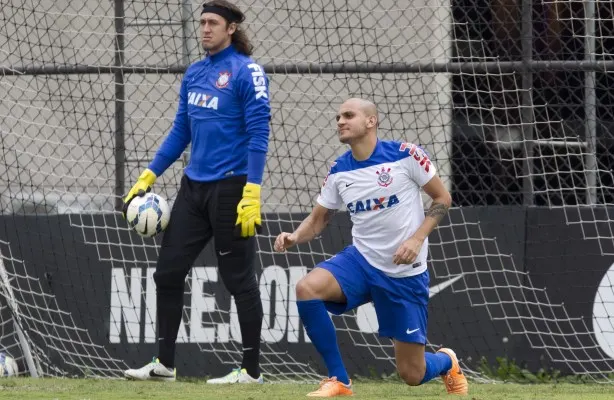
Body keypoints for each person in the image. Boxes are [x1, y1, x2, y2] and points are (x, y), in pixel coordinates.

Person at [274, 98, 469, 397]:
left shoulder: (405, 155)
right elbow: (319, 219)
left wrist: (416, 239)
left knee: (412, 375)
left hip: (403, 273)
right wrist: (295, 236)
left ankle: (446, 361)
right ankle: (339, 379)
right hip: (361, 261)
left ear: (371, 121)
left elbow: (442, 199)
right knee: (306, 288)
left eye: (348, 115)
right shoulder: (339, 170)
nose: (340, 121)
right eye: (338, 116)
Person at [123, 0, 269, 384]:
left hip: (233, 188)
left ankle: (251, 372)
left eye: (212, 23)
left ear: (231, 28)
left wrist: (252, 189)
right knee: (167, 273)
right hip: (193, 188)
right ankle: (164, 365)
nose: (204, 28)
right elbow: (181, 131)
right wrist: (149, 175)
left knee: (238, 279)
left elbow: (259, 134)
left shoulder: (247, 72)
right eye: (201, 22)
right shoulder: (194, 73)